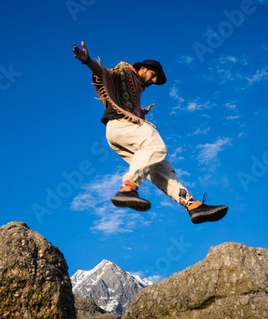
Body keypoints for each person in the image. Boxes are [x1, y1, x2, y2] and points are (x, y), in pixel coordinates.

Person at [73, 41, 228, 224]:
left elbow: (126, 103)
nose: (153, 81)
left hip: (119, 133)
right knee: (155, 145)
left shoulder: (136, 89)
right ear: (143, 68)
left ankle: (192, 205)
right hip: (121, 125)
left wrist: (140, 111)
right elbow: (106, 74)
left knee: (160, 168)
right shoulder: (126, 71)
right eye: (153, 75)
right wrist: (88, 61)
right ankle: (128, 187)